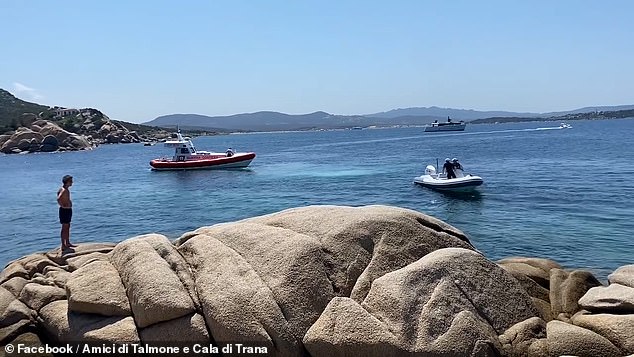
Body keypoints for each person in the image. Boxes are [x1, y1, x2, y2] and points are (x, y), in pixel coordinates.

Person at [57, 175, 76, 250]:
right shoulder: (64, 190)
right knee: (64, 227)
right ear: (67, 182)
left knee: (67, 226)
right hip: (64, 210)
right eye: (71, 181)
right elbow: (58, 199)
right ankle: (63, 245)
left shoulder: (64, 189)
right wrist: (63, 206)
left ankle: (67, 242)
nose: (72, 182)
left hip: (67, 210)